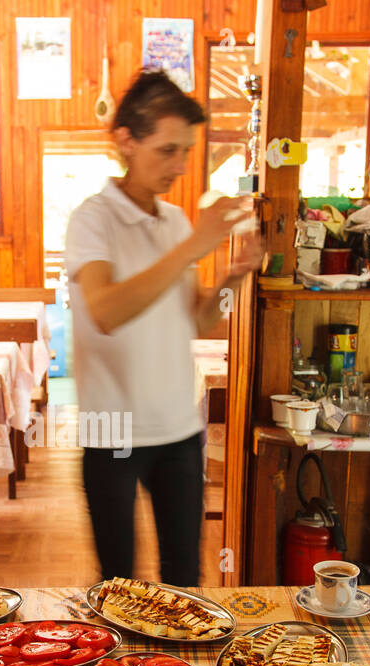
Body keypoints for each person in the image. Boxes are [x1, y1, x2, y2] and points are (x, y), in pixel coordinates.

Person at [65, 70, 262, 587]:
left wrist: (234, 275)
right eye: (167, 150)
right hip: (111, 433)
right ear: (126, 140)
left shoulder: (175, 222)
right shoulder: (92, 220)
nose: (178, 166)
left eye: (186, 152)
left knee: (185, 579)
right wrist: (195, 246)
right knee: (118, 584)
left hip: (178, 429)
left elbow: (198, 318)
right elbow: (106, 310)